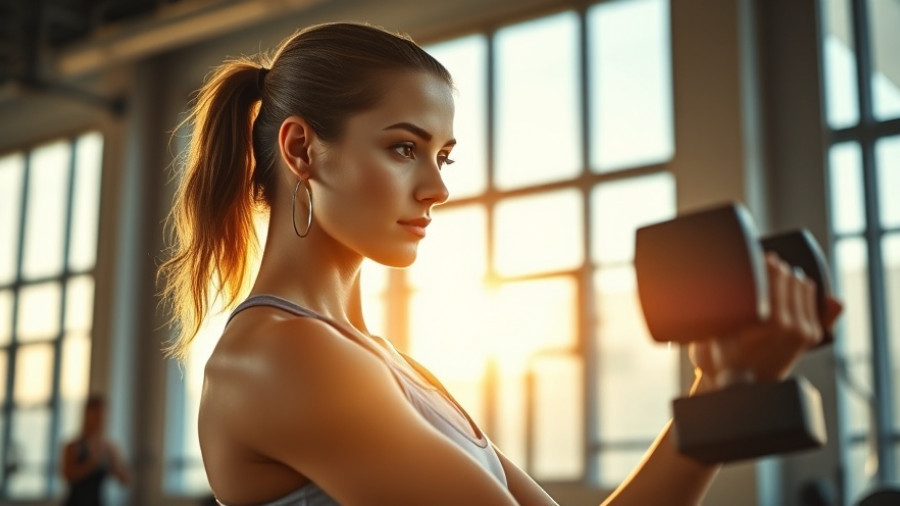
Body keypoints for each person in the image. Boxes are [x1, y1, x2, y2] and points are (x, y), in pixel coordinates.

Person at [157, 22, 843, 505]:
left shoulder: (381, 360)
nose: (438, 187)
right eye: (403, 148)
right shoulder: (284, 358)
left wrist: (715, 388)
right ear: (303, 150)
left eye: (443, 155)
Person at [60, 394, 129, 506]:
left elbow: (125, 480)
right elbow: (67, 476)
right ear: (87, 415)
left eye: (103, 414)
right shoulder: (74, 446)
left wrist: (115, 465)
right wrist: (92, 463)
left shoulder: (109, 447)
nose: (100, 418)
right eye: (96, 413)